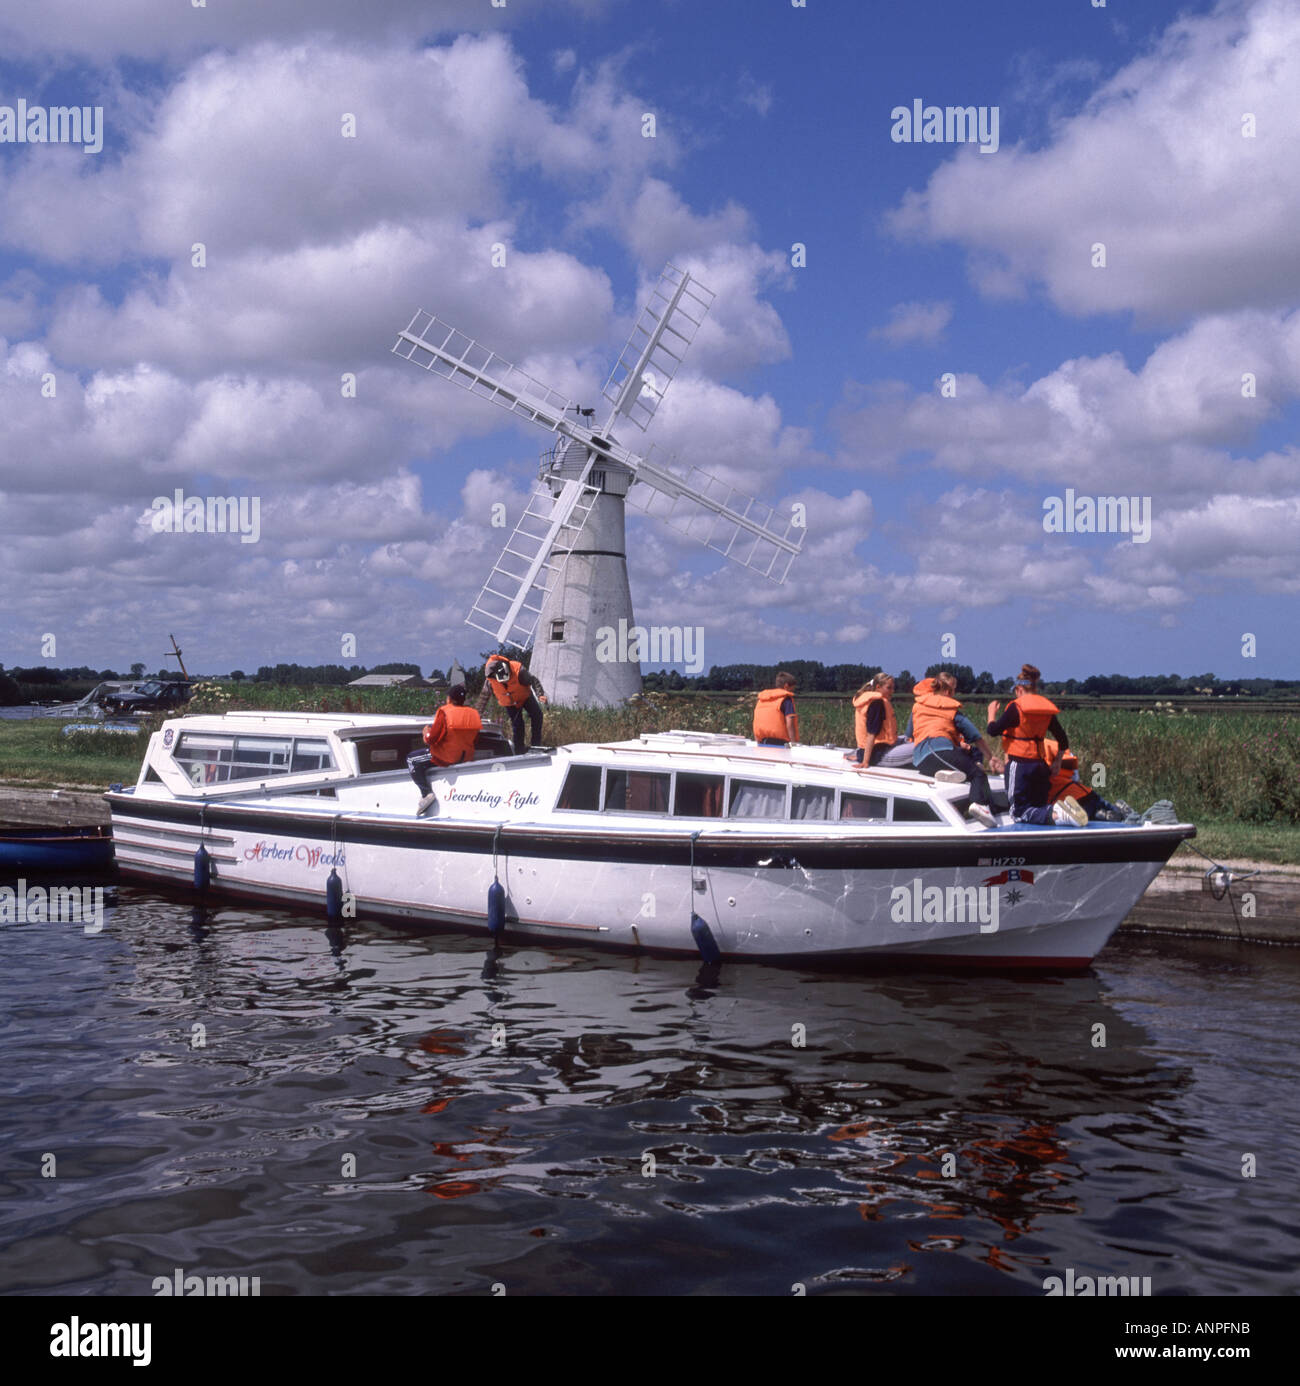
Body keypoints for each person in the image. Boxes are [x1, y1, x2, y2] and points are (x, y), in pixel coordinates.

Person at [987, 664, 1082, 826]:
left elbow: (993, 730)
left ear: (1019, 690)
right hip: (1040, 766)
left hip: (1020, 766)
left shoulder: (1017, 707)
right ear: (1035, 688)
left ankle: (1058, 814)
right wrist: (1057, 762)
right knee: (1038, 806)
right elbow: (1063, 740)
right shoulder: (1045, 709)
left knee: (1018, 812)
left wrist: (991, 713)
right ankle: (1057, 812)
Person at [910, 672, 997, 827]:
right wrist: (991, 758)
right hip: (940, 753)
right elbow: (976, 737)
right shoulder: (952, 710)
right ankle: (980, 805)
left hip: (920, 761)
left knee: (964, 761)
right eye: (954, 690)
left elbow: (908, 735)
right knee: (977, 774)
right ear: (949, 692)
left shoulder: (917, 706)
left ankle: (951, 773)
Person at [408, 684, 482, 813]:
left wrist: (426, 732)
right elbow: (475, 739)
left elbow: (432, 739)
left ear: (450, 699)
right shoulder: (473, 714)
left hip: (445, 758)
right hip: (466, 757)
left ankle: (426, 793)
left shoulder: (445, 713)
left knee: (412, 759)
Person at [1044, 740, 1130, 822]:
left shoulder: (1033, 756)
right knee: (1106, 807)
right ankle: (1118, 808)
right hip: (1086, 793)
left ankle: (1101, 815)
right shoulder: (1055, 745)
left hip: (1066, 805)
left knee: (1090, 816)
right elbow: (1075, 776)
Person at [478, 654, 547, 756]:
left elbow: (533, 680)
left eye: (507, 679)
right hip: (509, 703)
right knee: (518, 725)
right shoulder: (490, 679)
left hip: (525, 697)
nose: (505, 682)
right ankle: (519, 751)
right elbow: (484, 696)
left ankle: (536, 746)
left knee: (537, 716)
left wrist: (540, 694)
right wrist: (477, 714)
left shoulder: (519, 671)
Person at [846, 672, 897, 766]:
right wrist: (865, 762)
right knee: (916, 749)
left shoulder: (867, 699)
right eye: (889, 688)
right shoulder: (877, 704)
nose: (892, 691)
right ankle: (860, 756)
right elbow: (871, 734)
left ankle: (858, 754)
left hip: (871, 749)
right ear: (878, 687)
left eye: (893, 688)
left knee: (906, 739)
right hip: (876, 754)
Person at [753, 672, 799, 746]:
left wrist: (758, 742)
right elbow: (790, 722)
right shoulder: (786, 699)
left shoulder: (761, 700)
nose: (792, 691)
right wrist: (794, 744)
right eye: (792, 689)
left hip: (763, 743)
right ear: (786, 686)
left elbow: (757, 721)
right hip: (781, 744)